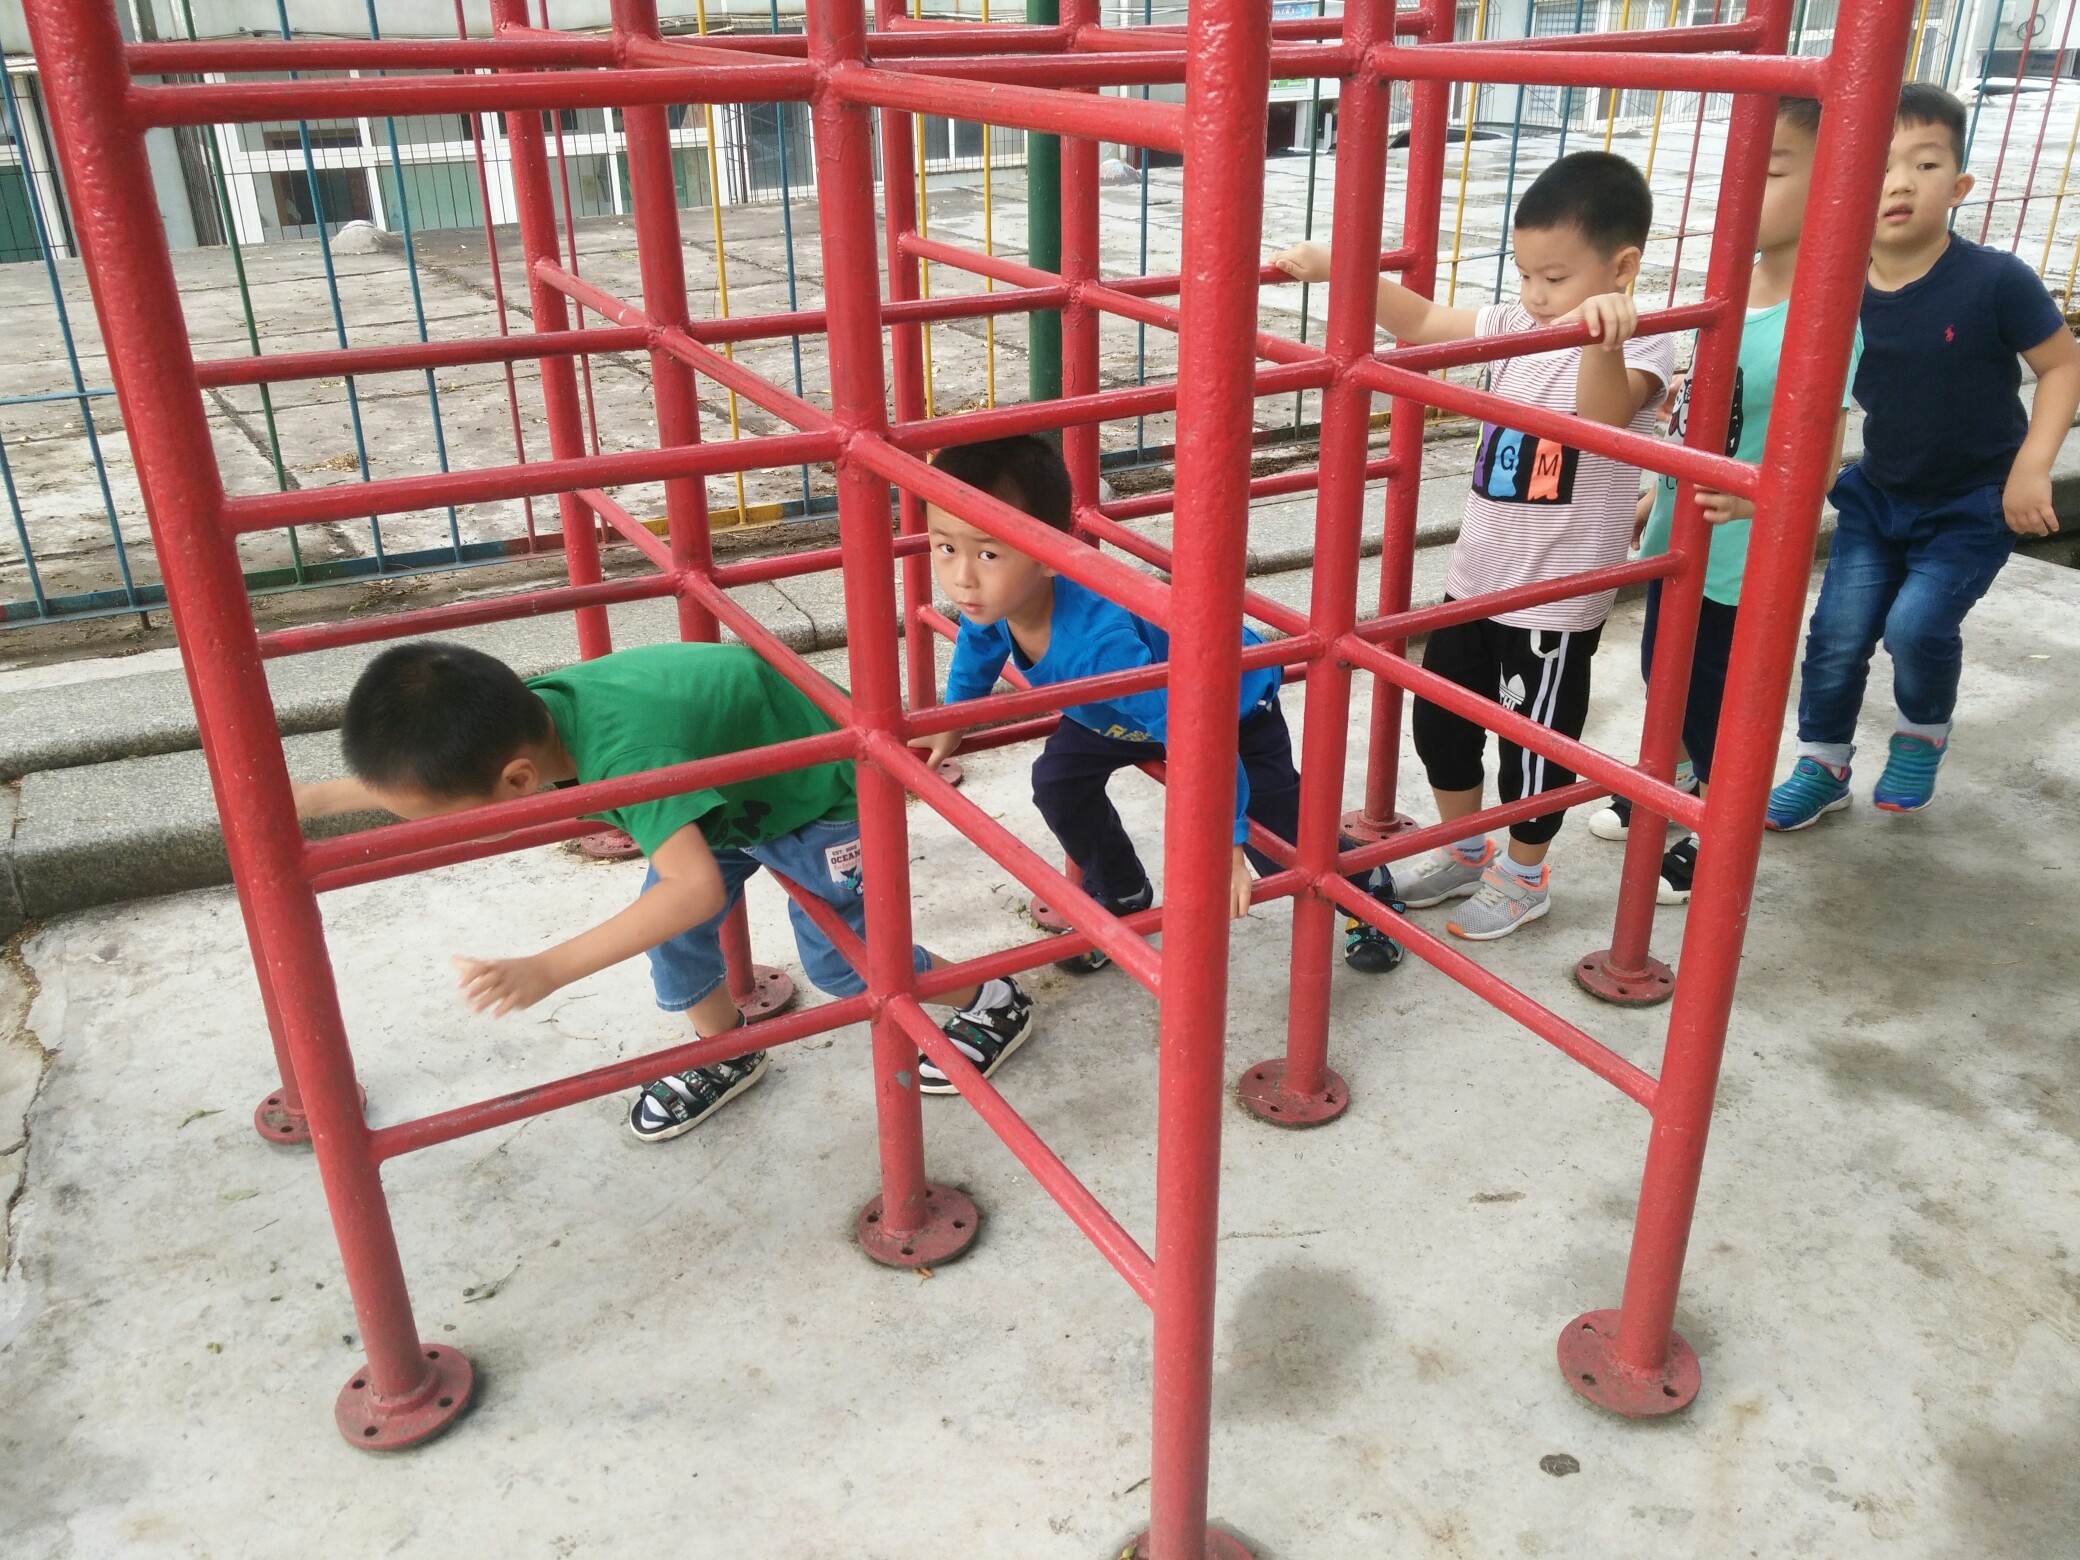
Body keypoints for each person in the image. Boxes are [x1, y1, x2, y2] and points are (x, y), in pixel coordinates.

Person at [294, 640, 1037, 1137]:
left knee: (845, 963)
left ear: (518, 781)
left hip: (822, 793)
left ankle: (991, 999)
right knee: (674, 946)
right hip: (731, 789)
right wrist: (306, 801)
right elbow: (418, 787)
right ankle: (727, 1049)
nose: (430, 829)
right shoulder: (521, 721)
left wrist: (548, 968)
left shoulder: (625, 758)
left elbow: (693, 889)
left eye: (444, 820)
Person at [1274, 151, 1674, 939]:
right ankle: (1466, 850)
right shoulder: (1518, 323)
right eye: (1524, 274)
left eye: (1554, 278)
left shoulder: (1644, 344)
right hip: (1478, 576)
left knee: (1533, 746)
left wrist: (1600, 341)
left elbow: (1600, 419)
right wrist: (1341, 267)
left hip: (1553, 598)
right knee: (1441, 724)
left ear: (1621, 268)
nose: (1535, 295)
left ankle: (1525, 876)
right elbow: (1423, 322)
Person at [907, 434, 1405, 975]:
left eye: (987, 553)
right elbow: (978, 644)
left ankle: (1366, 891)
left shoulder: (1101, 648)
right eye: (945, 547)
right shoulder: (996, 600)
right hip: (1122, 713)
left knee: (1278, 842)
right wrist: (954, 719)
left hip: (1224, 710)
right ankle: (1122, 891)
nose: (962, 577)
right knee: (1058, 782)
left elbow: (1199, 737)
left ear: (1050, 552)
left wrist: (1226, 843)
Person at [1767, 83, 2080, 829]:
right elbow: (1809, 392)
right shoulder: (1834, 288)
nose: (1900, 183)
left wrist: (2032, 467)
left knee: (1916, 628)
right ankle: (1823, 763)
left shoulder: (1994, 280)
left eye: (1925, 164)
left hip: (1974, 502)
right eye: (1880, 167)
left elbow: (2064, 365)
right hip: (1877, 495)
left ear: (1960, 185)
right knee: (1837, 635)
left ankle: (1920, 734)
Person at [1588, 97, 1861, 901]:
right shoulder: (1728, 292)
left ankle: (1717, 822)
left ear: (1834, 184)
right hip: (1681, 531)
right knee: (1662, 667)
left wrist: (1772, 500)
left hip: (1744, 552)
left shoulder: (1824, 313)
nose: (1742, 192)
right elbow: (1701, 409)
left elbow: (1824, 449)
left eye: (1769, 172)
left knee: (1718, 696)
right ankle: (1671, 780)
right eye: (1736, 172)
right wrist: (1657, 488)